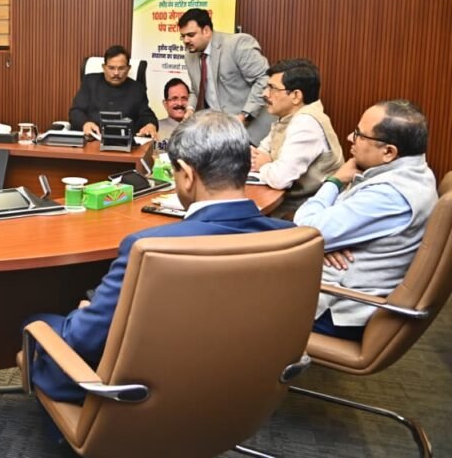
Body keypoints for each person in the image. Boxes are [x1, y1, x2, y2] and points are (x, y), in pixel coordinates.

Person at [26, 111, 293, 403]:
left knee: (40, 323)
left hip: (142, 400)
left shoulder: (148, 247)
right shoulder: (291, 239)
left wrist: (85, 314)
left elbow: (83, 339)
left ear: (187, 176)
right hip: (240, 395)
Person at [293, 99, 437, 341]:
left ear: (388, 152)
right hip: (334, 288)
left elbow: (304, 230)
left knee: (236, 295)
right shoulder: (414, 173)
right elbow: (316, 233)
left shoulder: (390, 195)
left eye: (359, 134)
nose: (350, 137)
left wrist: (334, 181)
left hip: (335, 308)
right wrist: (324, 243)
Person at [251, 59, 343, 218]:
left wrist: (265, 164)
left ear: (296, 96)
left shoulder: (306, 123)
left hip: (307, 211)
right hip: (287, 203)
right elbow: (258, 155)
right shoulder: (288, 117)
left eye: (272, 88)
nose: (265, 94)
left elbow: (280, 178)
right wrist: (268, 164)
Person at [177, 8, 272, 143]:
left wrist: (244, 116)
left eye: (191, 35)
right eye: (183, 36)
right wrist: (190, 110)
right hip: (220, 135)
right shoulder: (190, 56)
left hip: (251, 131)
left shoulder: (236, 44)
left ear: (206, 31)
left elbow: (264, 78)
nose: (186, 40)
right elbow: (196, 90)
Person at [69, 45, 158, 139]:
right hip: (93, 138)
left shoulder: (137, 89)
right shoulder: (90, 82)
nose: (116, 73)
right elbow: (75, 111)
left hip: (125, 141)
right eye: (111, 68)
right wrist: (85, 123)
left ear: (128, 68)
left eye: (121, 68)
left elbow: (146, 115)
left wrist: (150, 125)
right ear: (104, 67)